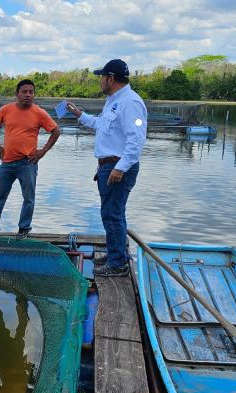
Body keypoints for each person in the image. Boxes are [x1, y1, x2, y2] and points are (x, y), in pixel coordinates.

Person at [66, 59, 147, 276]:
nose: (100, 81)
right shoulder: (114, 101)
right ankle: (114, 256)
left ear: (111, 79)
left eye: (102, 77)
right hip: (109, 166)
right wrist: (79, 115)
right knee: (110, 214)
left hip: (117, 167)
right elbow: (101, 125)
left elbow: (136, 140)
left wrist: (120, 168)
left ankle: (118, 264)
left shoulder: (130, 102)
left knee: (113, 215)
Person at [0, 79, 61, 241]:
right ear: (17, 94)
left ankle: (24, 228)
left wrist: (42, 151)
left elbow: (56, 131)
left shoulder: (39, 113)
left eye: (31, 92)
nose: (28, 95)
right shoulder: (6, 110)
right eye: (24, 92)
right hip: (7, 163)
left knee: (28, 198)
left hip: (27, 163)